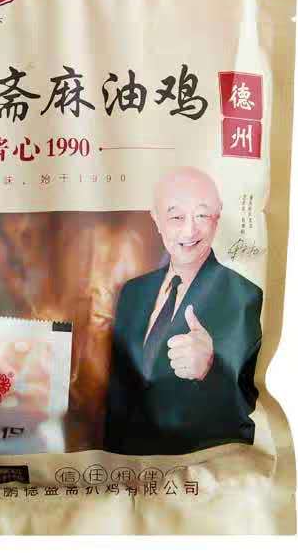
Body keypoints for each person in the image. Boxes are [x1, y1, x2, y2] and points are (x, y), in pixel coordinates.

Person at [103, 167, 263, 455]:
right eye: (176, 217)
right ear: (156, 219)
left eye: (202, 215)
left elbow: (247, 405)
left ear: (218, 216)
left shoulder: (245, 297)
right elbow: (118, 394)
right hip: (125, 464)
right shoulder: (133, 292)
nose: (189, 231)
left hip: (197, 468)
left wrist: (210, 370)